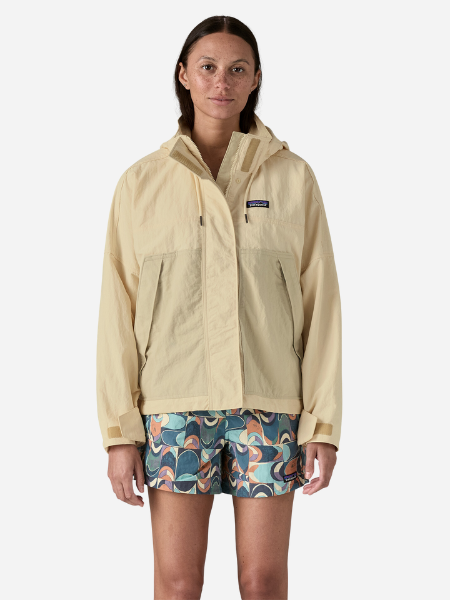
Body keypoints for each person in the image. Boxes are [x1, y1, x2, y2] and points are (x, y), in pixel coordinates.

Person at [96, 15, 342, 600]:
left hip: (270, 407)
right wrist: (119, 432)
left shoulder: (292, 178)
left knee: (263, 581)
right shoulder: (141, 184)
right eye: (207, 67)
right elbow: (116, 313)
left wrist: (323, 423)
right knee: (179, 583)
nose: (221, 82)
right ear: (183, 75)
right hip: (173, 408)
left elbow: (322, 306)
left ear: (255, 79)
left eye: (237, 69)